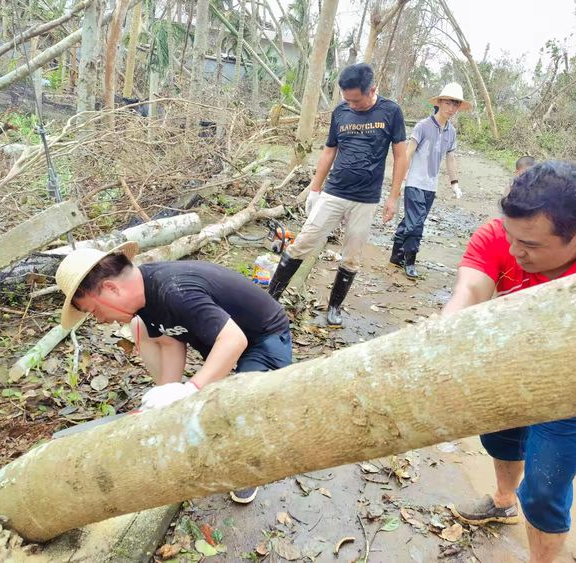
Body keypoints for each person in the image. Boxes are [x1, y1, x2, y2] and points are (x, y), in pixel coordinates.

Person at [443, 161, 576, 563]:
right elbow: (469, 290)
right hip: (508, 368)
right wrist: (443, 339)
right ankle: (503, 500)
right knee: (500, 440)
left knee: (545, 491)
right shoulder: (498, 237)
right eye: (510, 235)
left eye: (530, 245)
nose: (513, 250)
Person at [55, 243, 292, 504]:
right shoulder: (143, 299)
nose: (99, 319)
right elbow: (171, 342)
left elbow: (234, 340)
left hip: (262, 337)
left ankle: (248, 469)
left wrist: (190, 389)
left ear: (111, 288)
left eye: (94, 311)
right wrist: (167, 398)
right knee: (139, 328)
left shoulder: (173, 289)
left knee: (241, 410)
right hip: (218, 337)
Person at [266, 63, 408, 327]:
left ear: (372, 89)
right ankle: (270, 298)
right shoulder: (341, 112)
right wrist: (315, 189)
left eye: (357, 100)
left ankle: (334, 307)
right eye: (347, 100)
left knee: (352, 255)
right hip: (334, 192)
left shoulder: (391, 112)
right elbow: (329, 151)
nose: (352, 105)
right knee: (304, 242)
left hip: (366, 198)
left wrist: (394, 196)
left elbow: (400, 155)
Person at [390, 83, 470, 279]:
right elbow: (408, 153)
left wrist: (455, 183)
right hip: (415, 182)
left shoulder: (451, 132)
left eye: (456, 104)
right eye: (449, 103)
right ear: (440, 102)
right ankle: (410, 261)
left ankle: (395, 255)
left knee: (412, 221)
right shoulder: (422, 126)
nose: (452, 108)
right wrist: (401, 178)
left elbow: (450, 158)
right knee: (416, 225)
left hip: (430, 186)